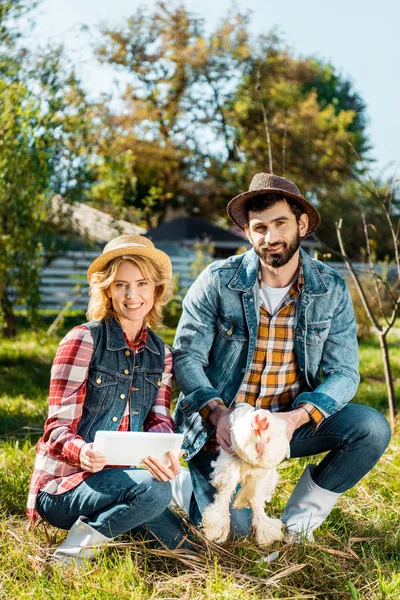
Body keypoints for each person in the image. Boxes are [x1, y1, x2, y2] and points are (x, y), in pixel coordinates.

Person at [173, 173, 391, 541]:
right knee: (235, 537)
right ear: (247, 231)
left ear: (301, 224)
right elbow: (185, 357)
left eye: (280, 223)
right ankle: (184, 488)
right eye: (259, 227)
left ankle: (298, 523)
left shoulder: (330, 289)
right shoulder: (216, 281)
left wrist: (294, 419)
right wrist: (219, 414)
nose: (270, 237)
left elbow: (345, 373)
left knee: (371, 428)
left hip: (285, 425)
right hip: (221, 431)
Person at [27, 234, 192, 564]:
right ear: (107, 290)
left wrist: (165, 453)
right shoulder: (83, 340)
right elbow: (56, 430)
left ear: (155, 289)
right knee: (155, 492)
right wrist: (83, 451)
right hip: (65, 486)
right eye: (121, 285)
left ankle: (115, 523)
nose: (133, 295)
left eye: (142, 283)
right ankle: (69, 556)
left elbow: (158, 418)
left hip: (125, 482)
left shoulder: (162, 354)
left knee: (185, 549)